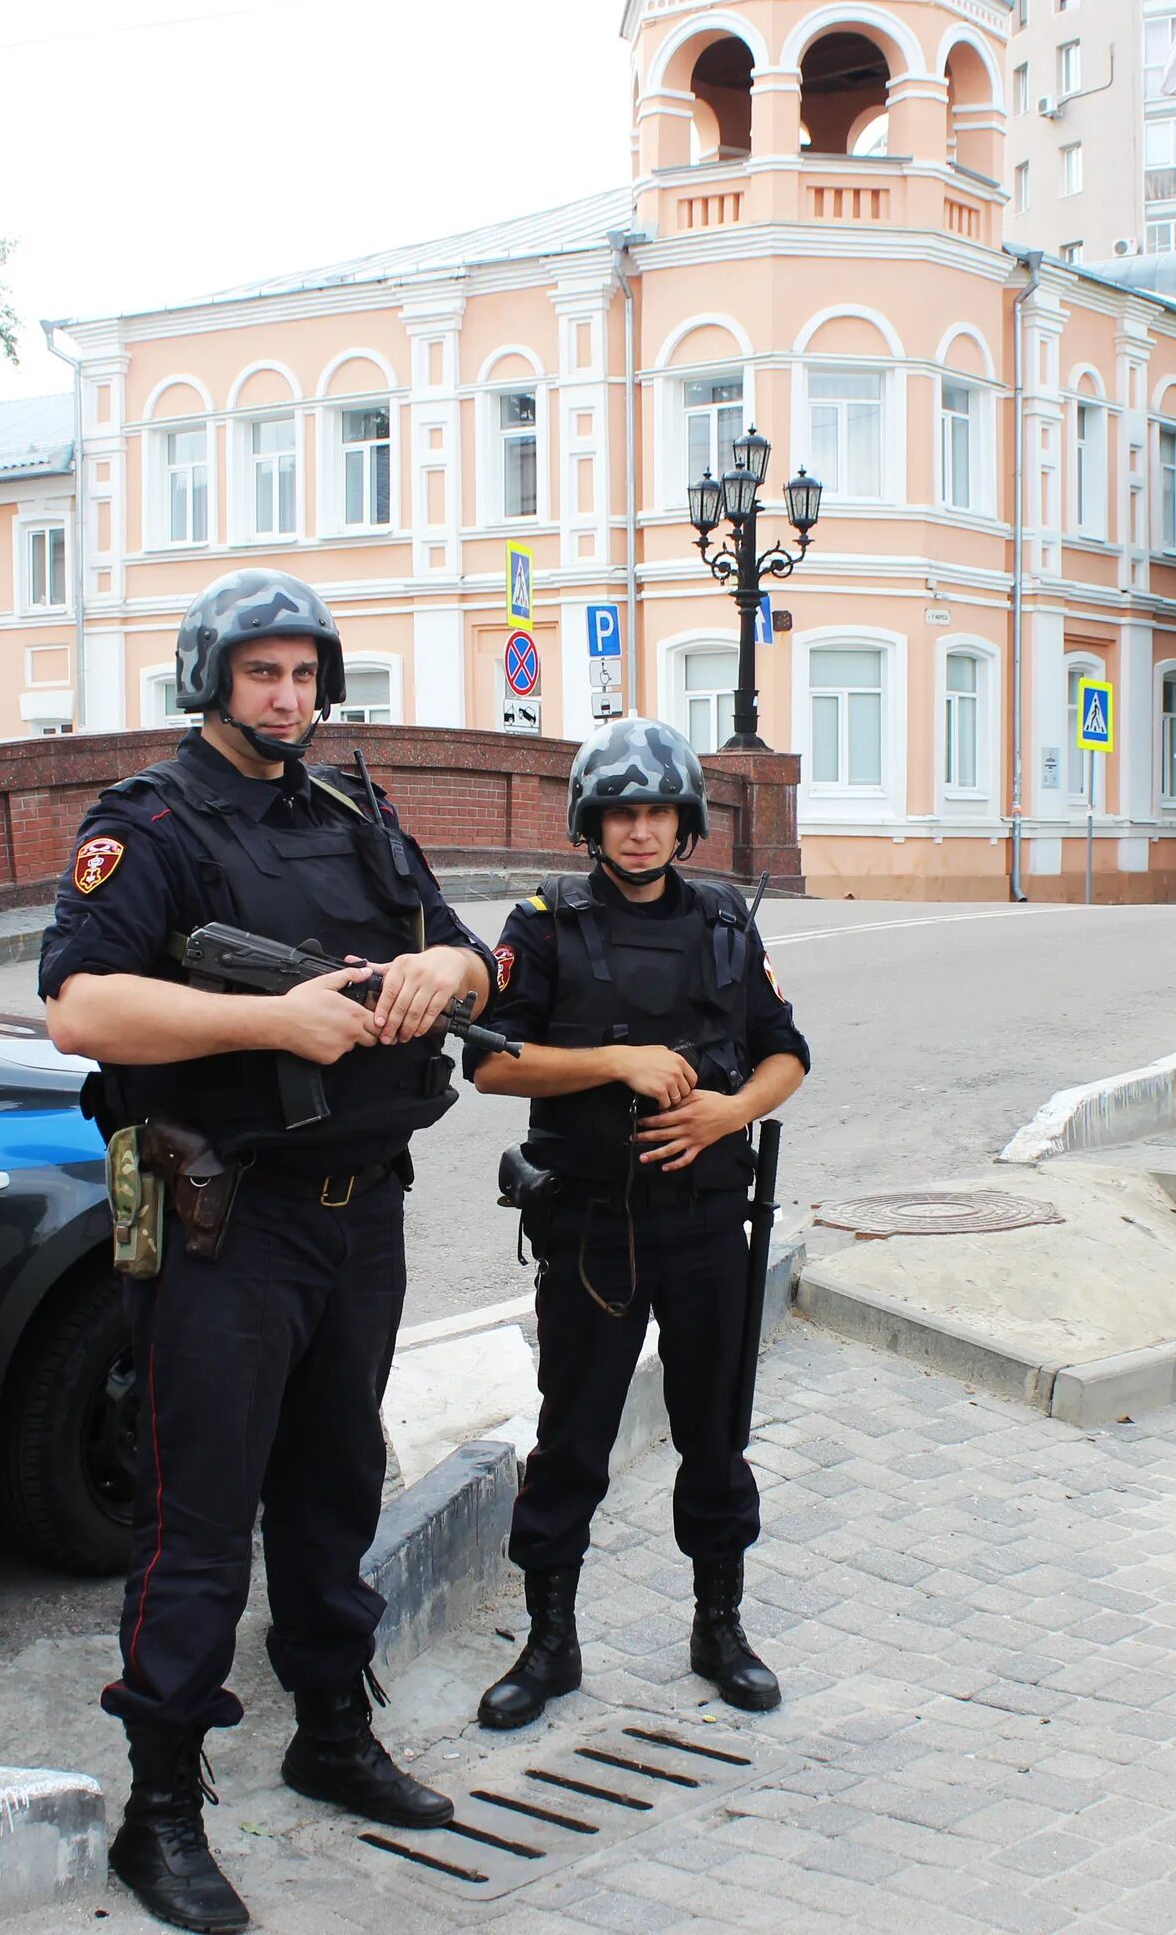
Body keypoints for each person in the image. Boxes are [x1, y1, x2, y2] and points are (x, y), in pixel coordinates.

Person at [40, 569, 494, 1935]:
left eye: (305, 675)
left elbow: (472, 956)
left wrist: (447, 979)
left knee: (333, 1489)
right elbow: (79, 1009)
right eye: (263, 675)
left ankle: (330, 1732)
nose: (289, 698)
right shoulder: (150, 826)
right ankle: (159, 1811)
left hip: (366, 1211)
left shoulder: (355, 811)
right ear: (212, 679)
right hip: (224, 1223)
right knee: (198, 1521)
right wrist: (274, 1025)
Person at [464, 717, 809, 1732]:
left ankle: (720, 1624)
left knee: (715, 1435)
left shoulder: (725, 925)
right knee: (571, 1439)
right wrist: (616, 1061)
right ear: (593, 823)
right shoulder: (545, 923)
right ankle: (550, 1641)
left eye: (659, 811)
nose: (642, 830)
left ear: (685, 822)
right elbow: (489, 1061)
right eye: (623, 812)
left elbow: (787, 1051)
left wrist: (729, 1109)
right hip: (593, 1230)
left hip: (706, 1226)